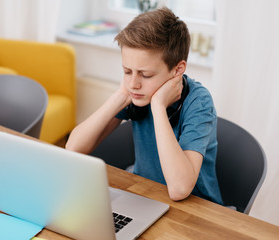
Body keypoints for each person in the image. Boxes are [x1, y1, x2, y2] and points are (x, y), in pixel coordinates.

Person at [65, 7, 223, 204]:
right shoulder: (135, 91)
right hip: (146, 196)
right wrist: (122, 95)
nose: (134, 83)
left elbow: (179, 189)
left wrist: (158, 106)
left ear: (178, 70)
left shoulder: (199, 102)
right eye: (127, 71)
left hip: (195, 209)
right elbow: (73, 149)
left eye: (146, 75)